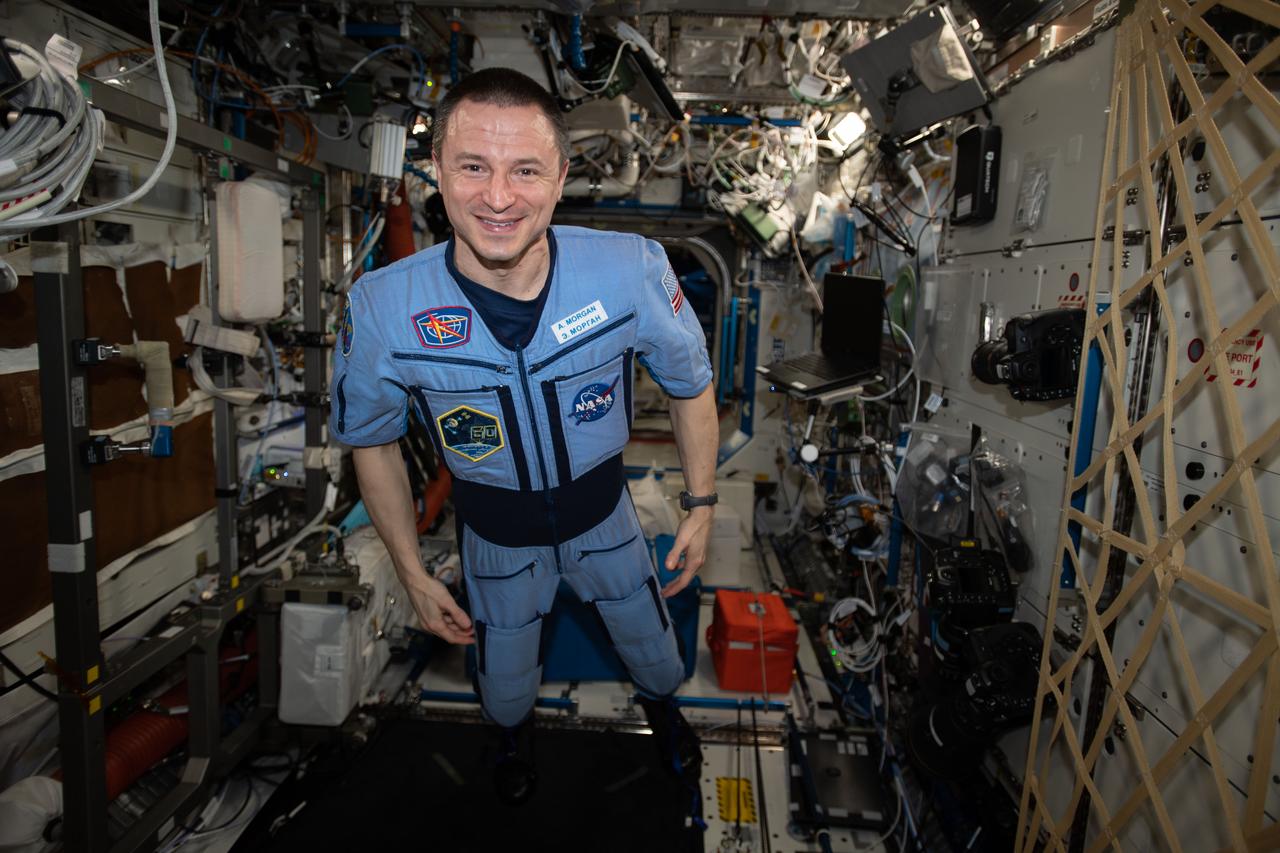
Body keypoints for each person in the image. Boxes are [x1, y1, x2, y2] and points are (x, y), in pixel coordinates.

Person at [329, 68, 720, 811]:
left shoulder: (627, 270)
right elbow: (371, 442)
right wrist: (412, 572)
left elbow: (689, 380)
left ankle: (665, 713)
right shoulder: (384, 307)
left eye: (526, 170)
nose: (499, 197)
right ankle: (511, 739)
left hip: (605, 519)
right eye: (473, 166)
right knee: (504, 683)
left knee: (656, 652)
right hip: (496, 537)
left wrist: (701, 503)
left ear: (562, 176)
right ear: (436, 169)